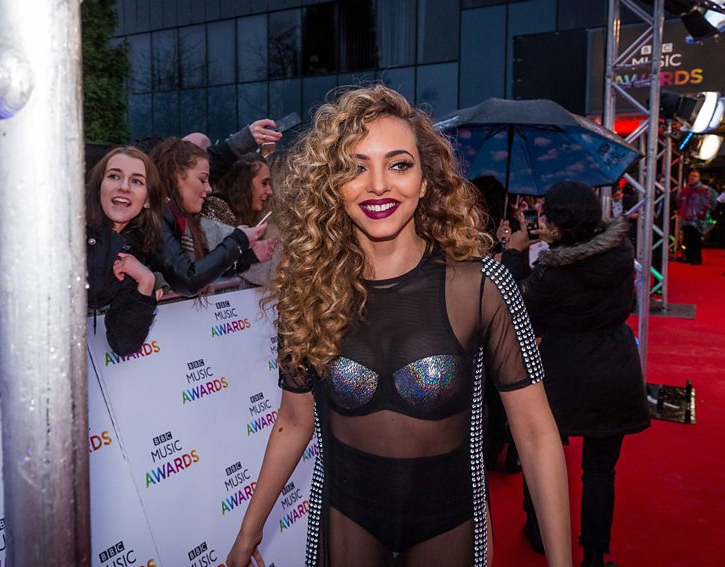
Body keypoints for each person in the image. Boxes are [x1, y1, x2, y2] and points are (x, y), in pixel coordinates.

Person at [227, 85, 570, 567]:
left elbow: (535, 433)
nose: (379, 184)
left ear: (426, 180)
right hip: (344, 522)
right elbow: (293, 421)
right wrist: (248, 533)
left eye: (399, 163)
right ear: (333, 184)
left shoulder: (481, 284)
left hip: (449, 526)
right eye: (356, 166)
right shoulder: (306, 292)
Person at [502, 181, 650, 567]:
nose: (542, 220)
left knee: (542, 455)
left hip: (563, 370)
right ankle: (595, 557)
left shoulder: (553, 274)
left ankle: (539, 531)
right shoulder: (620, 253)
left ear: (560, 221)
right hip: (615, 365)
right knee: (601, 471)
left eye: (547, 214)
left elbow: (518, 312)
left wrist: (515, 255)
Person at [148, 138, 269, 296]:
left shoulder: (180, 219)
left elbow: (202, 269)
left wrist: (250, 256)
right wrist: (238, 241)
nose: (209, 188)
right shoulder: (156, 218)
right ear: (176, 176)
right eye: (202, 180)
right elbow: (188, 279)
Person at [85, 146, 164, 356]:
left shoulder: (136, 251)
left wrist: (146, 282)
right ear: (99, 186)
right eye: (114, 176)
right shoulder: (68, 228)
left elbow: (123, 344)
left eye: (137, 181)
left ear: (147, 200)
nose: (124, 187)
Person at [202, 153, 274, 227]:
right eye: (264, 183)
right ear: (245, 182)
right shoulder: (216, 208)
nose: (270, 192)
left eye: (269, 184)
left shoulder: (243, 215)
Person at [676, 168, 716, 265]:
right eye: (691, 176)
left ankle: (696, 258)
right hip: (686, 219)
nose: (692, 178)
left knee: (696, 240)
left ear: (699, 178)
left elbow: (713, 202)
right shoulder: (685, 190)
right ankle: (688, 257)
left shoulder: (705, 190)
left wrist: (704, 213)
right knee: (687, 239)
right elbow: (680, 202)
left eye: (695, 176)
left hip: (698, 219)